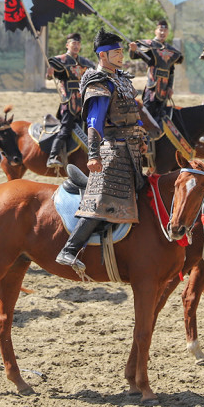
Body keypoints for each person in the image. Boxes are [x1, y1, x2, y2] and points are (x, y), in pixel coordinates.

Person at [56, 29, 144, 269]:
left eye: (121, 51)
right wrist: (93, 155)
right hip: (112, 150)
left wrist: (140, 134)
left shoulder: (123, 80)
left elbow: (133, 116)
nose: (121, 55)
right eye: (116, 52)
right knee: (100, 200)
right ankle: (70, 249)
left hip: (132, 150)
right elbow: (94, 122)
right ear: (103, 55)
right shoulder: (99, 82)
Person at [45, 33, 93, 171]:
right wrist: (49, 74)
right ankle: (53, 156)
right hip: (69, 101)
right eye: (73, 43)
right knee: (65, 129)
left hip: (83, 101)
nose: (76, 46)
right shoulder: (60, 61)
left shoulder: (84, 62)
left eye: (78, 44)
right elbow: (51, 76)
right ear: (67, 45)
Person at [128, 19, 184, 125]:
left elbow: (171, 71)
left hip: (164, 89)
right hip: (152, 88)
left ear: (168, 32)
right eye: (160, 30)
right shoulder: (149, 45)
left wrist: (170, 87)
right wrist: (133, 50)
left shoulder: (170, 50)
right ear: (156, 31)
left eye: (165, 30)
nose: (162, 33)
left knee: (161, 117)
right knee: (147, 115)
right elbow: (134, 56)